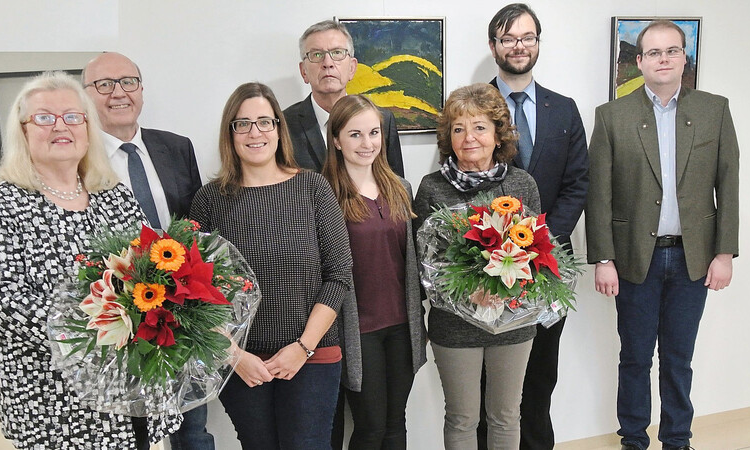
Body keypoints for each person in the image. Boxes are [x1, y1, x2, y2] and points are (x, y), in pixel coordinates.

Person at [0, 71, 179, 448]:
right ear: (24, 130)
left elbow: (153, 272)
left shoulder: (115, 196)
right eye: (44, 117)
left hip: (128, 393)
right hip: (52, 401)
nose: (60, 126)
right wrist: (99, 330)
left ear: (87, 127)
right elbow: (0, 299)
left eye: (72, 116)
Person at [586, 20, 739, 450]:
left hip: (694, 258)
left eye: (672, 51)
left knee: (678, 360)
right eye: (653, 53)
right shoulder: (612, 116)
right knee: (634, 359)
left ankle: (677, 440)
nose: (664, 59)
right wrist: (603, 258)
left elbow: (728, 183)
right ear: (639, 61)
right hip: (636, 258)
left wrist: (724, 252)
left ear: (684, 57)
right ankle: (633, 439)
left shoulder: (715, 109)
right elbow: (599, 194)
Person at [189, 82, 353, 450]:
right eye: (242, 124)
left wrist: (303, 347)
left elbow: (338, 274)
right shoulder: (209, 200)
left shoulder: (313, 188)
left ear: (279, 128)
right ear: (229, 134)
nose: (255, 132)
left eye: (264, 122)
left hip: (312, 355)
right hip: (241, 362)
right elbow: (192, 292)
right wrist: (234, 355)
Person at [82, 51, 206, 450]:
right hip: (119, 321)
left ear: (141, 89)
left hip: (183, 316)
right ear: (87, 95)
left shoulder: (176, 148)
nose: (118, 93)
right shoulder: (78, 159)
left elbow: (197, 231)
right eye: (104, 85)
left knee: (192, 430)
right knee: (132, 434)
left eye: (128, 82)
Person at [484, 4, 589, 449]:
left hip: (548, 270)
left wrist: (540, 241)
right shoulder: (471, 106)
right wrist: (501, 246)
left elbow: (577, 183)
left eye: (527, 37)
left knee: (541, 375)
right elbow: (459, 181)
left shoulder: (563, 110)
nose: (519, 46)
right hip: (487, 271)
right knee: (493, 385)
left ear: (538, 42)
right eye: (509, 39)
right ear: (494, 47)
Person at [413, 83, 540, 449]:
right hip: (454, 326)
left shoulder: (521, 183)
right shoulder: (432, 188)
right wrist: (469, 290)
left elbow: (537, 253)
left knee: (506, 416)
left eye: (480, 127)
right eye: (458, 129)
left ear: (498, 135)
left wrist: (505, 287)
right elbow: (425, 262)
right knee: (462, 418)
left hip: (513, 323)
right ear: (448, 138)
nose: (469, 138)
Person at [322, 95, 427, 449]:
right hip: (357, 329)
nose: (367, 144)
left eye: (373, 133)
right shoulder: (323, 196)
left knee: (396, 422)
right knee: (370, 429)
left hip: (402, 325)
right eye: (355, 135)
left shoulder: (400, 188)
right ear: (336, 140)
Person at [283, 19, 405, 176]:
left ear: (352, 68)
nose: (328, 63)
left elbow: (395, 187)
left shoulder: (383, 120)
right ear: (303, 71)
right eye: (317, 55)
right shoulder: (284, 125)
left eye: (337, 53)